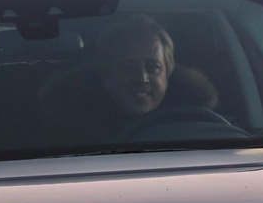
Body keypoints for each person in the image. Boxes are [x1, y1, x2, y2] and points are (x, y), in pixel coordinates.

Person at [38, 13, 231, 145]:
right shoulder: (67, 141)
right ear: (107, 75)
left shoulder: (206, 131)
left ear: (168, 75)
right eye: (128, 67)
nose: (142, 78)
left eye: (153, 67)